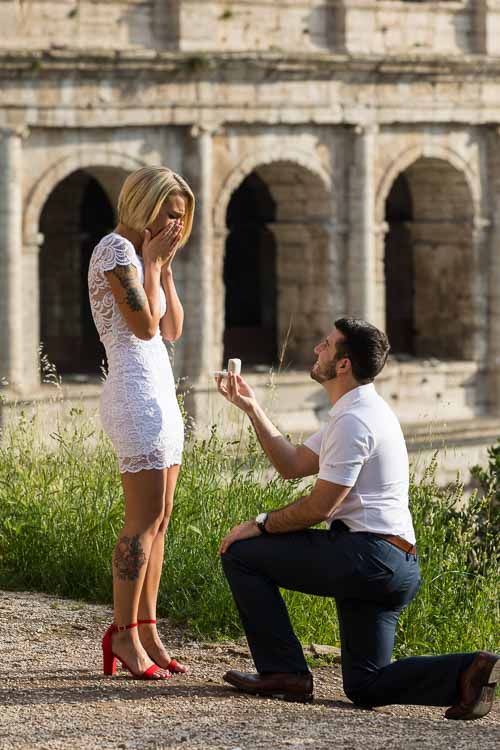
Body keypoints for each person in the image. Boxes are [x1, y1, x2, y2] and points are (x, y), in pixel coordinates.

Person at [215, 318, 499, 718]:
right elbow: (293, 464)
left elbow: (320, 508)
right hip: (393, 563)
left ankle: (284, 673)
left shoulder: (354, 420)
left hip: (369, 556)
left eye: (327, 345)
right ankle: (469, 671)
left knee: (242, 553)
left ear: (343, 364)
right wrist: (252, 408)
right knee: (365, 685)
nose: (317, 349)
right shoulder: (358, 410)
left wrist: (258, 524)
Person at [88, 166, 195, 679]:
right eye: (169, 215)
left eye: (181, 219)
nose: (176, 226)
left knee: (162, 518)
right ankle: (122, 634)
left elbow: (171, 327)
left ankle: (147, 627)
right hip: (132, 393)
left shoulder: (147, 258)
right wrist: (150, 265)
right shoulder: (114, 251)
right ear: (143, 206)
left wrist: (165, 270)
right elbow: (144, 325)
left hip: (159, 392)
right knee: (141, 520)